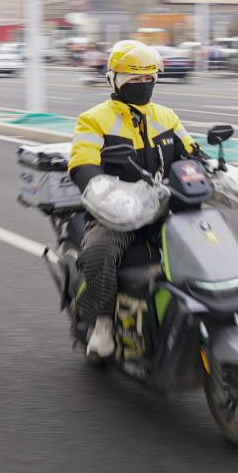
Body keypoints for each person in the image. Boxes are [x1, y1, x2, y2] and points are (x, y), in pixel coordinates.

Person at [68, 40, 208, 359]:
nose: (143, 84)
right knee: (99, 251)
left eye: (148, 78)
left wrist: (210, 167)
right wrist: (103, 191)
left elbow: (191, 152)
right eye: (135, 78)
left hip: (164, 208)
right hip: (116, 213)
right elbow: (82, 163)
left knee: (208, 237)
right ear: (115, 80)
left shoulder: (166, 117)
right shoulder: (94, 119)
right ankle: (102, 322)